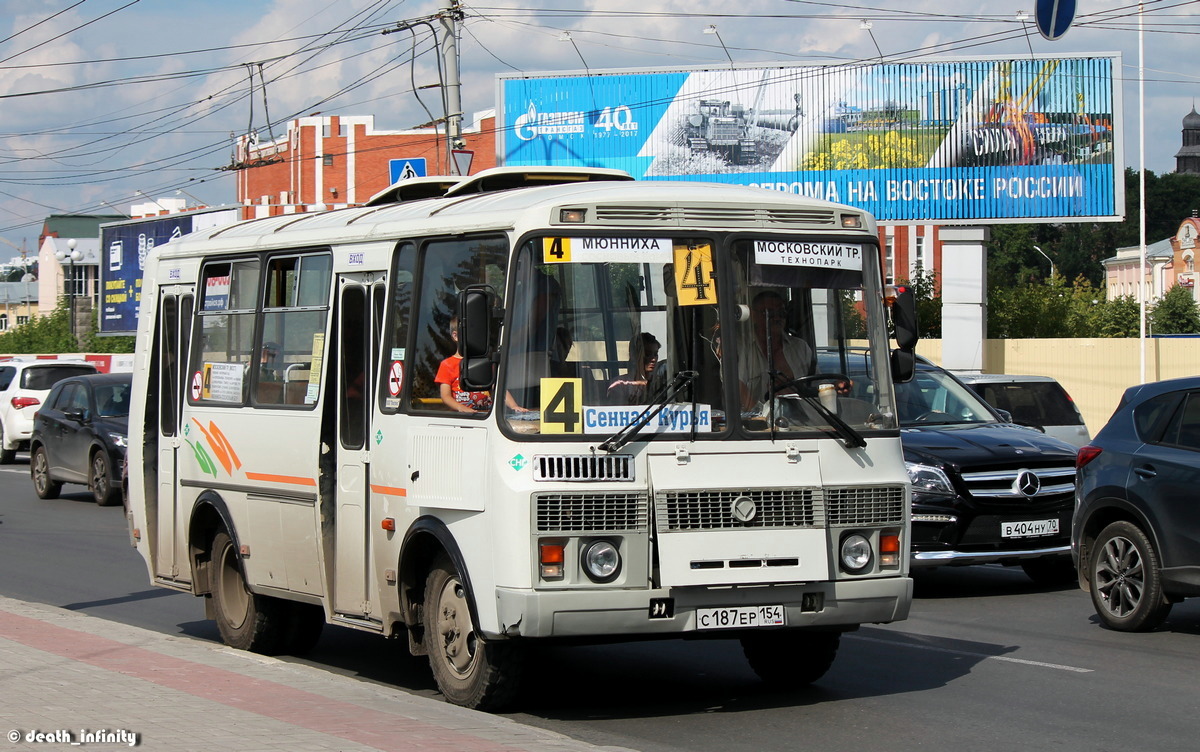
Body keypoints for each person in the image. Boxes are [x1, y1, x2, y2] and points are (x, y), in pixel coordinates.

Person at [736, 290, 814, 410]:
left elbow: (817, 386)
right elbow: (737, 386)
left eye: (781, 313)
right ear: (754, 315)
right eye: (769, 313)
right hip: (756, 425)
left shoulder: (800, 347)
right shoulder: (742, 347)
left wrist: (835, 387)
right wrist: (761, 419)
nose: (777, 318)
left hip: (801, 424)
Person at [436, 317, 527, 414]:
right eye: (471, 334)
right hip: (463, 417)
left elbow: (497, 389)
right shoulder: (447, 365)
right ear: (455, 336)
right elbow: (445, 396)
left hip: (486, 416)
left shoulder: (484, 363)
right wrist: (461, 408)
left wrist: (514, 406)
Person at [607, 332, 661, 405]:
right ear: (633, 356)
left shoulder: (661, 382)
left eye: (655, 354)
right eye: (647, 354)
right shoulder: (620, 385)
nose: (653, 359)